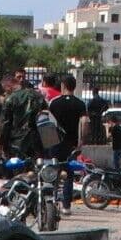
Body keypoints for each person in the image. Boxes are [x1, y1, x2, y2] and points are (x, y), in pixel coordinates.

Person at [47, 77, 87, 209]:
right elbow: (85, 122)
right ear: (74, 87)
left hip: (55, 142)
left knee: (53, 172)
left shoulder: (54, 102)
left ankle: (51, 201)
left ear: (63, 85)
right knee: (69, 174)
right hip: (71, 143)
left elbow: (48, 122)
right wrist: (81, 142)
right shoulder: (80, 104)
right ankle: (66, 206)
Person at [0, 70, 44, 164]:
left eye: (5, 89)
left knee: (18, 173)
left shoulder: (10, 99)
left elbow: (5, 124)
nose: (6, 92)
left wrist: (2, 145)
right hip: (36, 141)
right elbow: (46, 117)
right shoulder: (38, 96)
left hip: (17, 143)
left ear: (9, 86)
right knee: (35, 171)